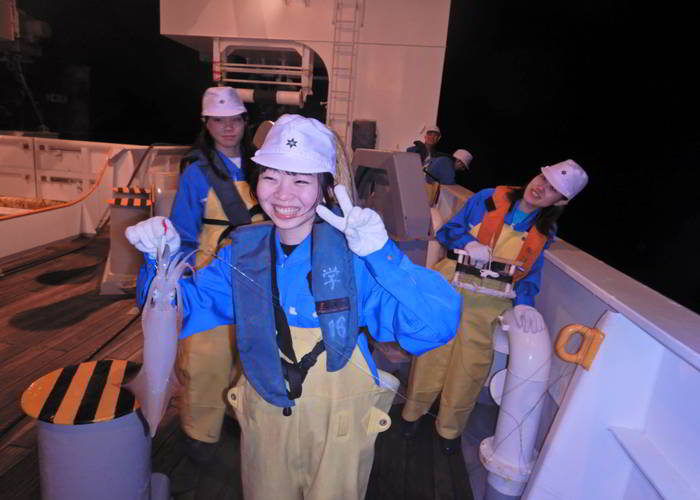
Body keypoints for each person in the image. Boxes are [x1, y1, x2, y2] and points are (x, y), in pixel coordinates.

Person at [126, 115, 461, 500]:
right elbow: (175, 314)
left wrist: (383, 255)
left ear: (325, 188)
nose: (283, 194)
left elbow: (433, 328)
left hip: (339, 428)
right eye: (271, 177)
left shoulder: (358, 258)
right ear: (256, 183)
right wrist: (160, 261)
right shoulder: (240, 253)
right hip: (264, 417)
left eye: (301, 181)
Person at [401, 159, 589, 455]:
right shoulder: (488, 198)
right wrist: (468, 243)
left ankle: (450, 429)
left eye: (553, 189)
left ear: (560, 201)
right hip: (450, 289)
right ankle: (413, 414)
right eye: (543, 179)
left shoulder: (544, 231)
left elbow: (529, 274)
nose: (541, 188)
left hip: (489, 303)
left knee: (470, 368)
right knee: (431, 355)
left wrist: (525, 306)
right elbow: (448, 231)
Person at [170, 86, 265, 463]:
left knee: (250, 349)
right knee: (205, 354)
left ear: (245, 122)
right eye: (218, 121)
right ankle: (199, 428)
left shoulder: (262, 165)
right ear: (206, 124)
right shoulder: (196, 171)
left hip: (257, 269)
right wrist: (181, 278)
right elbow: (183, 230)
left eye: (234, 120)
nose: (228, 128)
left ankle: (233, 411)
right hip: (211, 270)